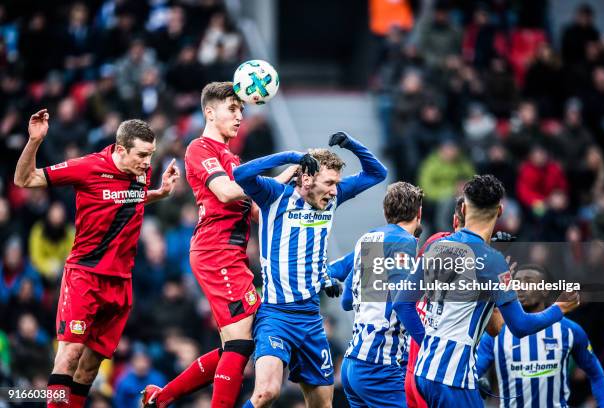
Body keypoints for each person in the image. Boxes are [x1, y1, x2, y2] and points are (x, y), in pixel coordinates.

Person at [142, 82, 295, 408]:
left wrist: (292, 182)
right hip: (216, 252)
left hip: (231, 254)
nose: (240, 116)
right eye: (232, 109)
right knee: (240, 344)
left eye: (241, 109)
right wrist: (280, 170)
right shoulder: (200, 148)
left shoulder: (232, 157)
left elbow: (254, 208)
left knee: (236, 345)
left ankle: (161, 398)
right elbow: (226, 192)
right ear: (210, 112)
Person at [13, 109, 180, 408]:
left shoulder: (141, 172)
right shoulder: (88, 167)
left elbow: (128, 199)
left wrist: (160, 193)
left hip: (121, 283)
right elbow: (24, 179)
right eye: (142, 154)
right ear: (120, 149)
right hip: (85, 276)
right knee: (69, 355)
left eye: (151, 155)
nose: (147, 162)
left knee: (90, 367)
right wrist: (34, 141)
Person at [234, 131, 387, 407]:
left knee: (322, 405)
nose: (333, 189)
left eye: (336, 183)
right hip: (276, 315)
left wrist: (352, 144)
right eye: (329, 182)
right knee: (265, 393)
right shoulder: (274, 195)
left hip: (311, 319)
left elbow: (378, 173)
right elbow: (241, 174)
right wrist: (292, 157)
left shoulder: (334, 198)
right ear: (306, 178)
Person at [399, 174, 580, 407]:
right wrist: (560, 308)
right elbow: (521, 326)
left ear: (463, 209)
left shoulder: (436, 245)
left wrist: (429, 345)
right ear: (500, 211)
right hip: (452, 379)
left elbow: (402, 303)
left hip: (423, 372)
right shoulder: (492, 261)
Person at [331, 182, 423, 407]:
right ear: (419, 213)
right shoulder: (404, 241)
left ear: (385, 212)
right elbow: (403, 304)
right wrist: (430, 346)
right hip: (380, 366)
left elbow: (346, 302)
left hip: (353, 364)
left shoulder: (369, 239)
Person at [476, 265, 604, 408]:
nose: (520, 287)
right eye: (516, 282)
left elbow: (596, 374)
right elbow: (472, 372)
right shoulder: (496, 333)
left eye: (528, 282)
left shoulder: (569, 330)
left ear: (544, 290)